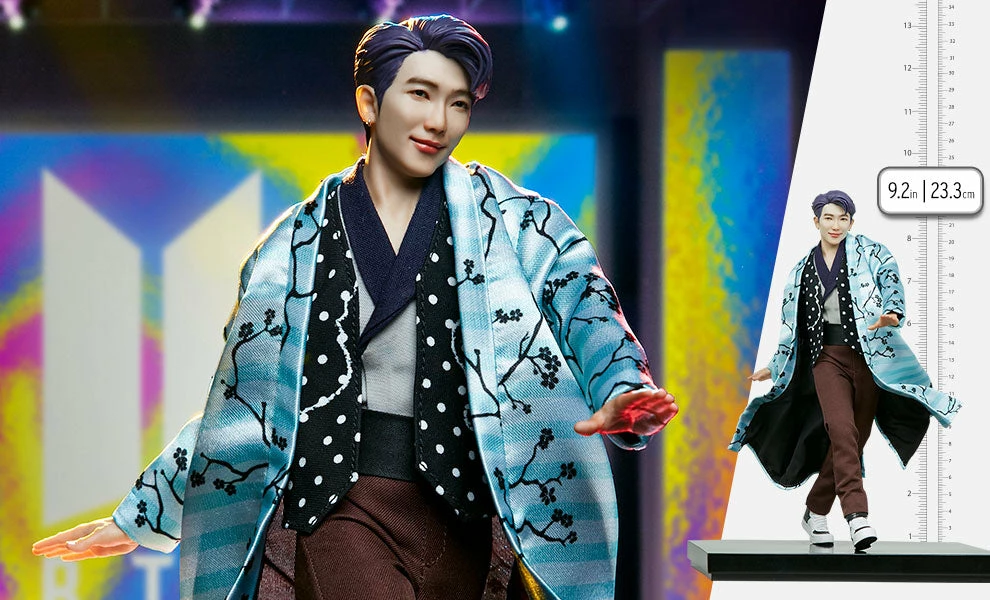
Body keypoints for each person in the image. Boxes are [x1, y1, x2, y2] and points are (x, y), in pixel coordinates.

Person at [33, 14, 678, 600]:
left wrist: (622, 388)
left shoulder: (513, 222)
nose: (438, 121)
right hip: (340, 501)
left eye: (457, 103)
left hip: (466, 508)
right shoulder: (292, 249)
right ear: (369, 103)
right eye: (420, 95)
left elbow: (584, 304)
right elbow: (246, 406)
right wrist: (142, 514)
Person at [729, 190, 959, 551]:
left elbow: (889, 276)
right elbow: (791, 325)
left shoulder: (869, 251)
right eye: (829, 218)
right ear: (816, 221)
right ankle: (857, 516)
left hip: (870, 359)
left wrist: (892, 312)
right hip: (826, 359)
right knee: (841, 428)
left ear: (851, 222)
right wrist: (775, 365)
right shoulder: (801, 271)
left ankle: (815, 511)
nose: (835, 225)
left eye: (843, 218)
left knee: (852, 439)